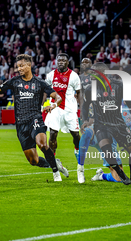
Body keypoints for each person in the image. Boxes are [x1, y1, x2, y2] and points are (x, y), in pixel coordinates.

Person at [0, 54, 68, 182]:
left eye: (22, 65)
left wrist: (54, 105)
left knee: (42, 143)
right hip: (21, 125)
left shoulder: (40, 83)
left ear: (29, 65)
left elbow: (58, 97)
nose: (19, 69)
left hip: (35, 119)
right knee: (33, 161)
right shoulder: (15, 81)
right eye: (18, 67)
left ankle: (56, 173)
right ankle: (55, 163)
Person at [81, 62, 131, 185]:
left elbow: (130, 103)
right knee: (106, 149)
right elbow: (84, 107)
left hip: (118, 123)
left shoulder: (119, 85)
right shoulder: (90, 88)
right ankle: (121, 174)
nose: (90, 75)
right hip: (101, 124)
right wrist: (84, 120)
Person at [45, 53, 82, 182]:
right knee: (53, 135)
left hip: (70, 110)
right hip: (55, 109)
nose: (61, 62)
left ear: (68, 62)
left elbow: (79, 93)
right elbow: (45, 91)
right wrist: (42, 105)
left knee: (76, 135)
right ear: (56, 61)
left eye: (63, 60)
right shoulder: (50, 75)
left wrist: (81, 108)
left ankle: (77, 151)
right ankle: (54, 164)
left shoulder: (73, 76)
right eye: (59, 60)